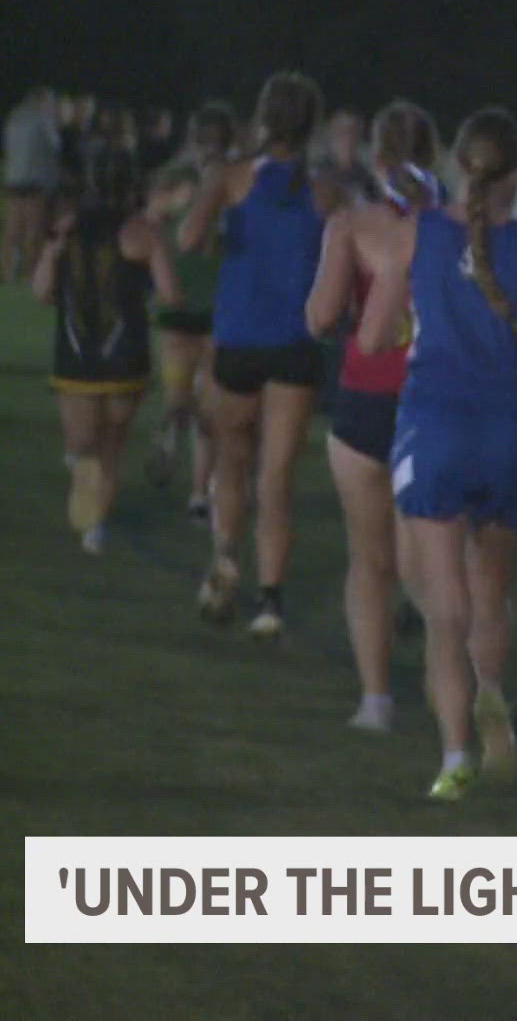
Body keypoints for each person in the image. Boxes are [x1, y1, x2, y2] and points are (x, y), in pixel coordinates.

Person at [357, 106, 517, 800]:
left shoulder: (415, 233)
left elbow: (370, 338)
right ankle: (491, 694)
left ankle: (455, 755)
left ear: (456, 164)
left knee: (444, 607)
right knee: (492, 596)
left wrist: (408, 322)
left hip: (437, 424)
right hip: (511, 429)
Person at [181, 71, 338, 633]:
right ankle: (271, 601)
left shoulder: (232, 176)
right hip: (295, 342)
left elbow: (189, 239)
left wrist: (225, 224)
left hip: (238, 336)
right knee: (277, 477)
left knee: (232, 461)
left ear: (262, 118)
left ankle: (226, 554)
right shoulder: (325, 188)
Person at [306, 100, 444, 734]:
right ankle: (464, 692)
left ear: (378, 158)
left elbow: (320, 316)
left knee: (370, 560)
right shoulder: (457, 226)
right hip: (439, 402)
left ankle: (376, 701)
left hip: (365, 400)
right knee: (437, 561)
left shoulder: (350, 224)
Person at [33, 142, 177, 554]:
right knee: (112, 445)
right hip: (126, 355)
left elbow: (42, 291)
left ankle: (89, 510)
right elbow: (168, 293)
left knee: (82, 446)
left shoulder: (66, 227)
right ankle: (95, 525)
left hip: (75, 355)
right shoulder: (142, 232)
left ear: (89, 181)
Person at [146, 102, 237, 524]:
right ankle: (192, 475)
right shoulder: (197, 181)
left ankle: (198, 486)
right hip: (200, 304)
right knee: (197, 404)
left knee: (200, 403)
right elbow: (150, 216)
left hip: (199, 306)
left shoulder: (207, 182)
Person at [0, 88, 61, 283]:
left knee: (12, 231)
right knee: (34, 232)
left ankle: (7, 273)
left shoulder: (14, 118)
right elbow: (55, 146)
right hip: (35, 181)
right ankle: (32, 273)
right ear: (43, 101)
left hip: (14, 179)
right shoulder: (43, 120)